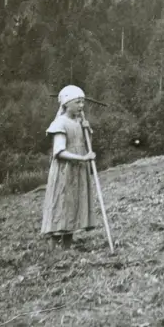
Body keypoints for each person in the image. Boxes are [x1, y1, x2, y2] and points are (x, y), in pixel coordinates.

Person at [41, 85, 100, 248]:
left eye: (82, 102)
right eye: (78, 102)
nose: (82, 106)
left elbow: (85, 144)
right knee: (62, 202)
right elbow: (59, 152)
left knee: (73, 203)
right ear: (66, 104)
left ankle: (67, 244)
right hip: (64, 170)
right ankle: (53, 247)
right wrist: (83, 158)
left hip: (78, 169)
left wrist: (87, 130)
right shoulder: (60, 122)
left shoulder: (79, 122)